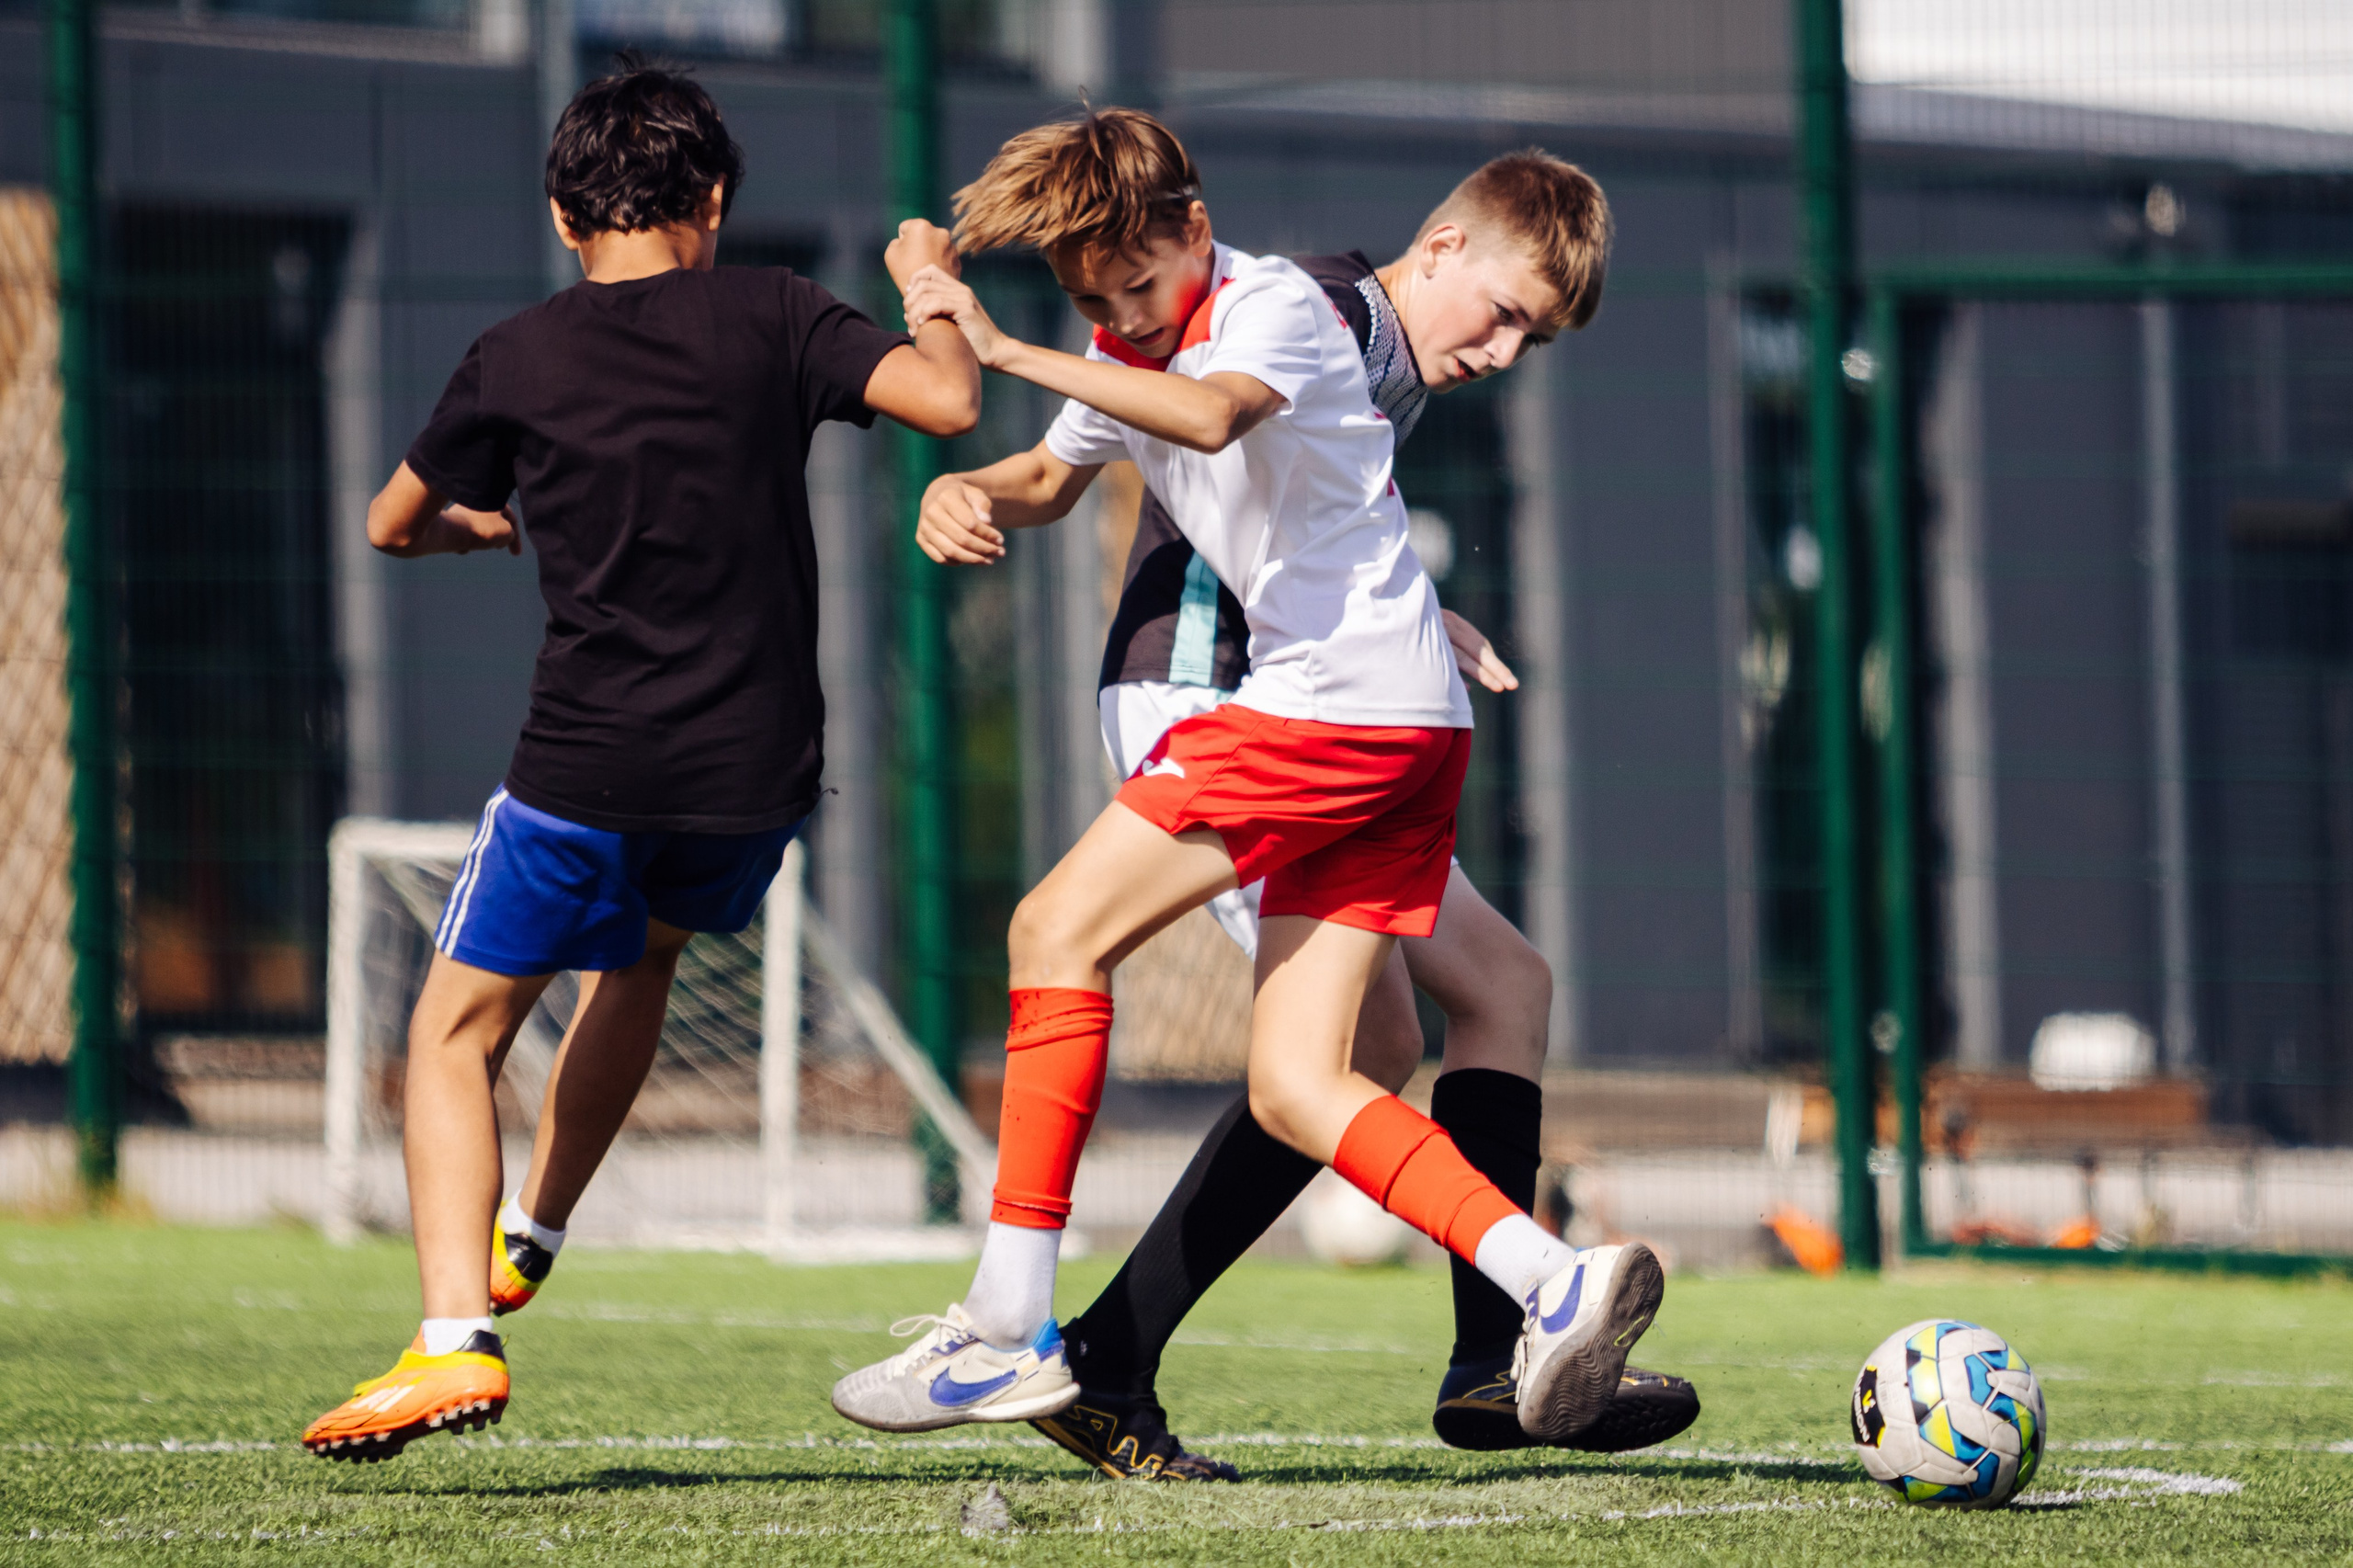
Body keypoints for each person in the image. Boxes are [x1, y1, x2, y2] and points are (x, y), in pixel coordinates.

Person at [828, 108, 1664, 1447]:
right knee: (1312, 1075)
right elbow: (1059, 468)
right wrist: (967, 485)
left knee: (1056, 929)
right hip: (1362, 717)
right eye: (1101, 299)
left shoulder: (1283, 308)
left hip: (1318, 717)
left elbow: (1214, 420)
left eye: (1140, 289)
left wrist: (1000, 339)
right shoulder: (1172, 321)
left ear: (1196, 234)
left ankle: (1008, 1327)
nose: (1127, 317)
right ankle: (1545, 1288)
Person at [297, 56, 981, 1462]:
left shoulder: (516, 356)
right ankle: (534, 1227)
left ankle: (450, 1345)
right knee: (646, 961)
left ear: (563, 215)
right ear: (715, 200)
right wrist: (931, 279)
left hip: (587, 768)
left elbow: (388, 522)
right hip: (754, 778)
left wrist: (474, 527)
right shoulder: (781, 311)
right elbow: (952, 404)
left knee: (450, 1033)